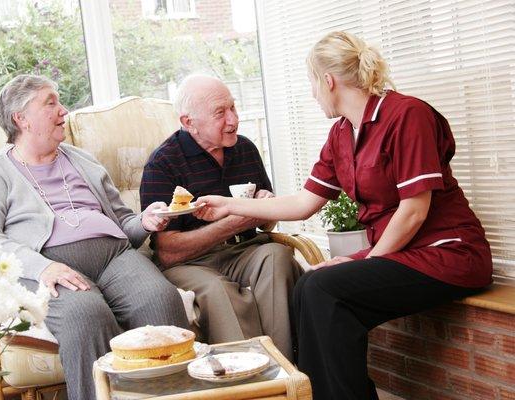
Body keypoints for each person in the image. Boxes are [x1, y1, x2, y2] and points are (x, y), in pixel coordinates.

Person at [194, 32, 492, 399]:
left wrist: (365, 262)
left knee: (325, 288)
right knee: (308, 284)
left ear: (328, 80)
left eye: (311, 83)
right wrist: (229, 205)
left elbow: (414, 211)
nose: (312, 93)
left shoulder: (407, 115)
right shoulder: (341, 134)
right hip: (404, 254)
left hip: (450, 253)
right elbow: (303, 203)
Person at [0, 75, 189, 400]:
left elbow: (124, 223)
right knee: (87, 317)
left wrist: (147, 221)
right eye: (50, 103)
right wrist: (42, 269)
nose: (63, 110)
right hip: (52, 268)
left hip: (114, 257)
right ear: (21, 118)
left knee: (161, 300)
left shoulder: (83, 160)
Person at [140, 74, 303, 361]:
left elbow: (267, 221)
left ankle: (282, 369)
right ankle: (246, 379)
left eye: (233, 108)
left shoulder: (245, 149)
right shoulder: (163, 163)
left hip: (246, 250)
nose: (233, 120)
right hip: (191, 263)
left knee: (278, 257)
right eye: (220, 113)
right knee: (219, 291)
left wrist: (265, 207)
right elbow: (168, 252)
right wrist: (235, 220)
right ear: (189, 122)